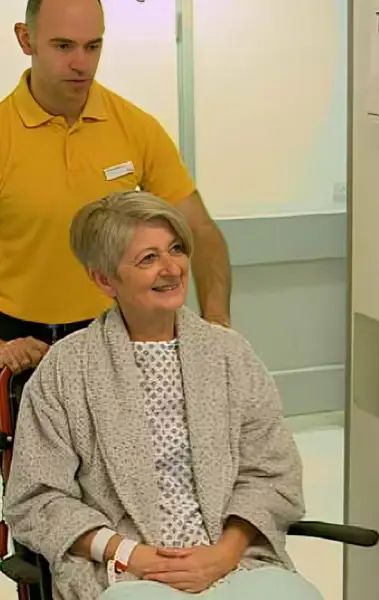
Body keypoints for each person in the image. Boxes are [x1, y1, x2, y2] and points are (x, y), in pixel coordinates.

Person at [2, 190, 322, 600]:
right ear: (104, 279)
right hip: (124, 575)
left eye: (175, 249)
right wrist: (131, 554)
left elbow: (271, 473)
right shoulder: (67, 369)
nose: (171, 268)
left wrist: (224, 554)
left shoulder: (230, 354)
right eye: (148, 259)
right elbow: (37, 499)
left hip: (234, 563)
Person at [0, 0, 231, 374]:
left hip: (116, 338)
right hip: (19, 347)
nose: (81, 63)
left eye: (93, 46)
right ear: (26, 40)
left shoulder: (135, 127)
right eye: (63, 46)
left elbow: (200, 229)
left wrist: (216, 325)